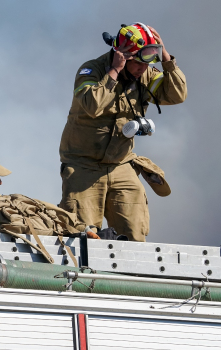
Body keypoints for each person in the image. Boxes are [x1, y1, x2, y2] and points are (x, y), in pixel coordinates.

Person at [58, 23, 187, 242]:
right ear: (122, 56)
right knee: (84, 237)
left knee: (134, 232)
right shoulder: (91, 70)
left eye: (147, 64)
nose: (143, 69)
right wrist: (114, 72)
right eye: (138, 63)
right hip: (84, 166)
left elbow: (176, 95)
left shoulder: (144, 75)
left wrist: (165, 56)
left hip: (121, 164)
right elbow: (91, 105)